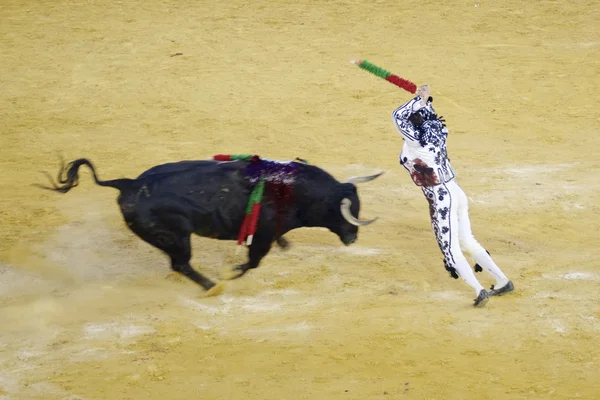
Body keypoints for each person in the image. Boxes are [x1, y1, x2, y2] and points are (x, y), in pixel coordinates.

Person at [391, 84, 514, 307]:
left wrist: (416, 102)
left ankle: (479, 290)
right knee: (468, 240)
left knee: (451, 248)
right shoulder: (438, 132)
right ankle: (502, 280)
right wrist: (423, 100)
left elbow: (397, 115)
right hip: (456, 192)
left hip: (441, 199)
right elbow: (427, 116)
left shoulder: (416, 143)